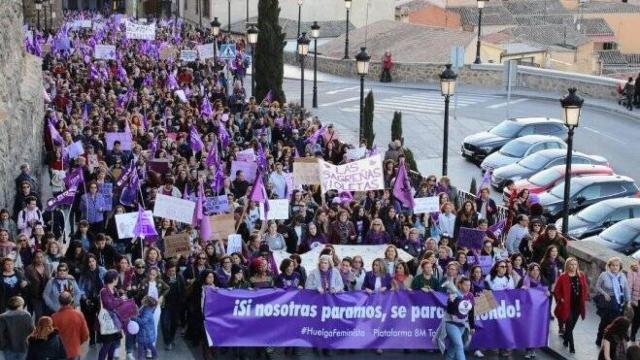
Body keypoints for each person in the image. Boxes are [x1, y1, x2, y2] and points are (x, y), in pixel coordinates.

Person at [554, 257, 589, 354]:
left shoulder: (581, 275)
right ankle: (572, 347)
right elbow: (556, 290)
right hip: (567, 305)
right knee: (569, 324)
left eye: (575, 264)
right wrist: (561, 298)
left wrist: (584, 297)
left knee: (571, 326)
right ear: (567, 265)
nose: (573, 266)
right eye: (571, 264)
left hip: (577, 305)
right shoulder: (563, 276)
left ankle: (566, 339)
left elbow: (585, 288)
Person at [595, 257, 631, 347]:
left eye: (617, 266)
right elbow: (598, 287)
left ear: (620, 267)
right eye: (613, 265)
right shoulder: (604, 275)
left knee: (614, 323)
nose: (615, 267)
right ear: (609, 266)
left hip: (618, 303)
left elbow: (626, 290)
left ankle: (608, 341)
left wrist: (628, 302)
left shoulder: (622, 276)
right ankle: (599, 339)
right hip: (607, 303)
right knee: (604, 322)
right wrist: (604, 294)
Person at [442, 277, 475, 360]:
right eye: (465, 285)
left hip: (462, 324)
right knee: (459, 346)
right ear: (460, 285)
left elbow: (471, 312)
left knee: (454, 346)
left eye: (469, 285)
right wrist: (453, 300)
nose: (468, 287)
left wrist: (472, 326)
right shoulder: (454, 294)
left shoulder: (470, 295)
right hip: (451, 323)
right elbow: (450, 310)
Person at [51, 292, 90, 360]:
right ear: (71, 301)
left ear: (59, 302)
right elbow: (86, 334)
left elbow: (51, 337)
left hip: (59, 353)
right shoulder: (79, 314)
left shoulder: (54, 317)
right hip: (75, 351)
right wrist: (78, 343)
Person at [98, 270, 124, 360]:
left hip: (114, 321)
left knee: (113, 344)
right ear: (113, 279)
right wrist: (120, 300)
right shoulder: (104, 291)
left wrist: (120, 300)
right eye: (117, 278)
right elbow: (109, 305)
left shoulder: (114, 289)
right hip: (108, 321)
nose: (118, 280)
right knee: (106, 345)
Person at [135, 296, 159, 360]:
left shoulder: (147, 311)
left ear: (146, 303)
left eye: (143, 299)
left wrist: (134, 318)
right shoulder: (146, 308)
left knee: (141, 350)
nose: (142, 299)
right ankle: (155, 355)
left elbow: (143, 321)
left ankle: (153, 356)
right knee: (149, 345)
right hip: (146, 334)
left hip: (145, 334)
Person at [628, 260, 640, 341]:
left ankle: (633, 334)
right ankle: (630, 334)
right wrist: (628, 300)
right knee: (632, 318)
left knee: (638, 319)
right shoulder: (633, 271)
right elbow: (629, 286)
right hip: (635, 299)